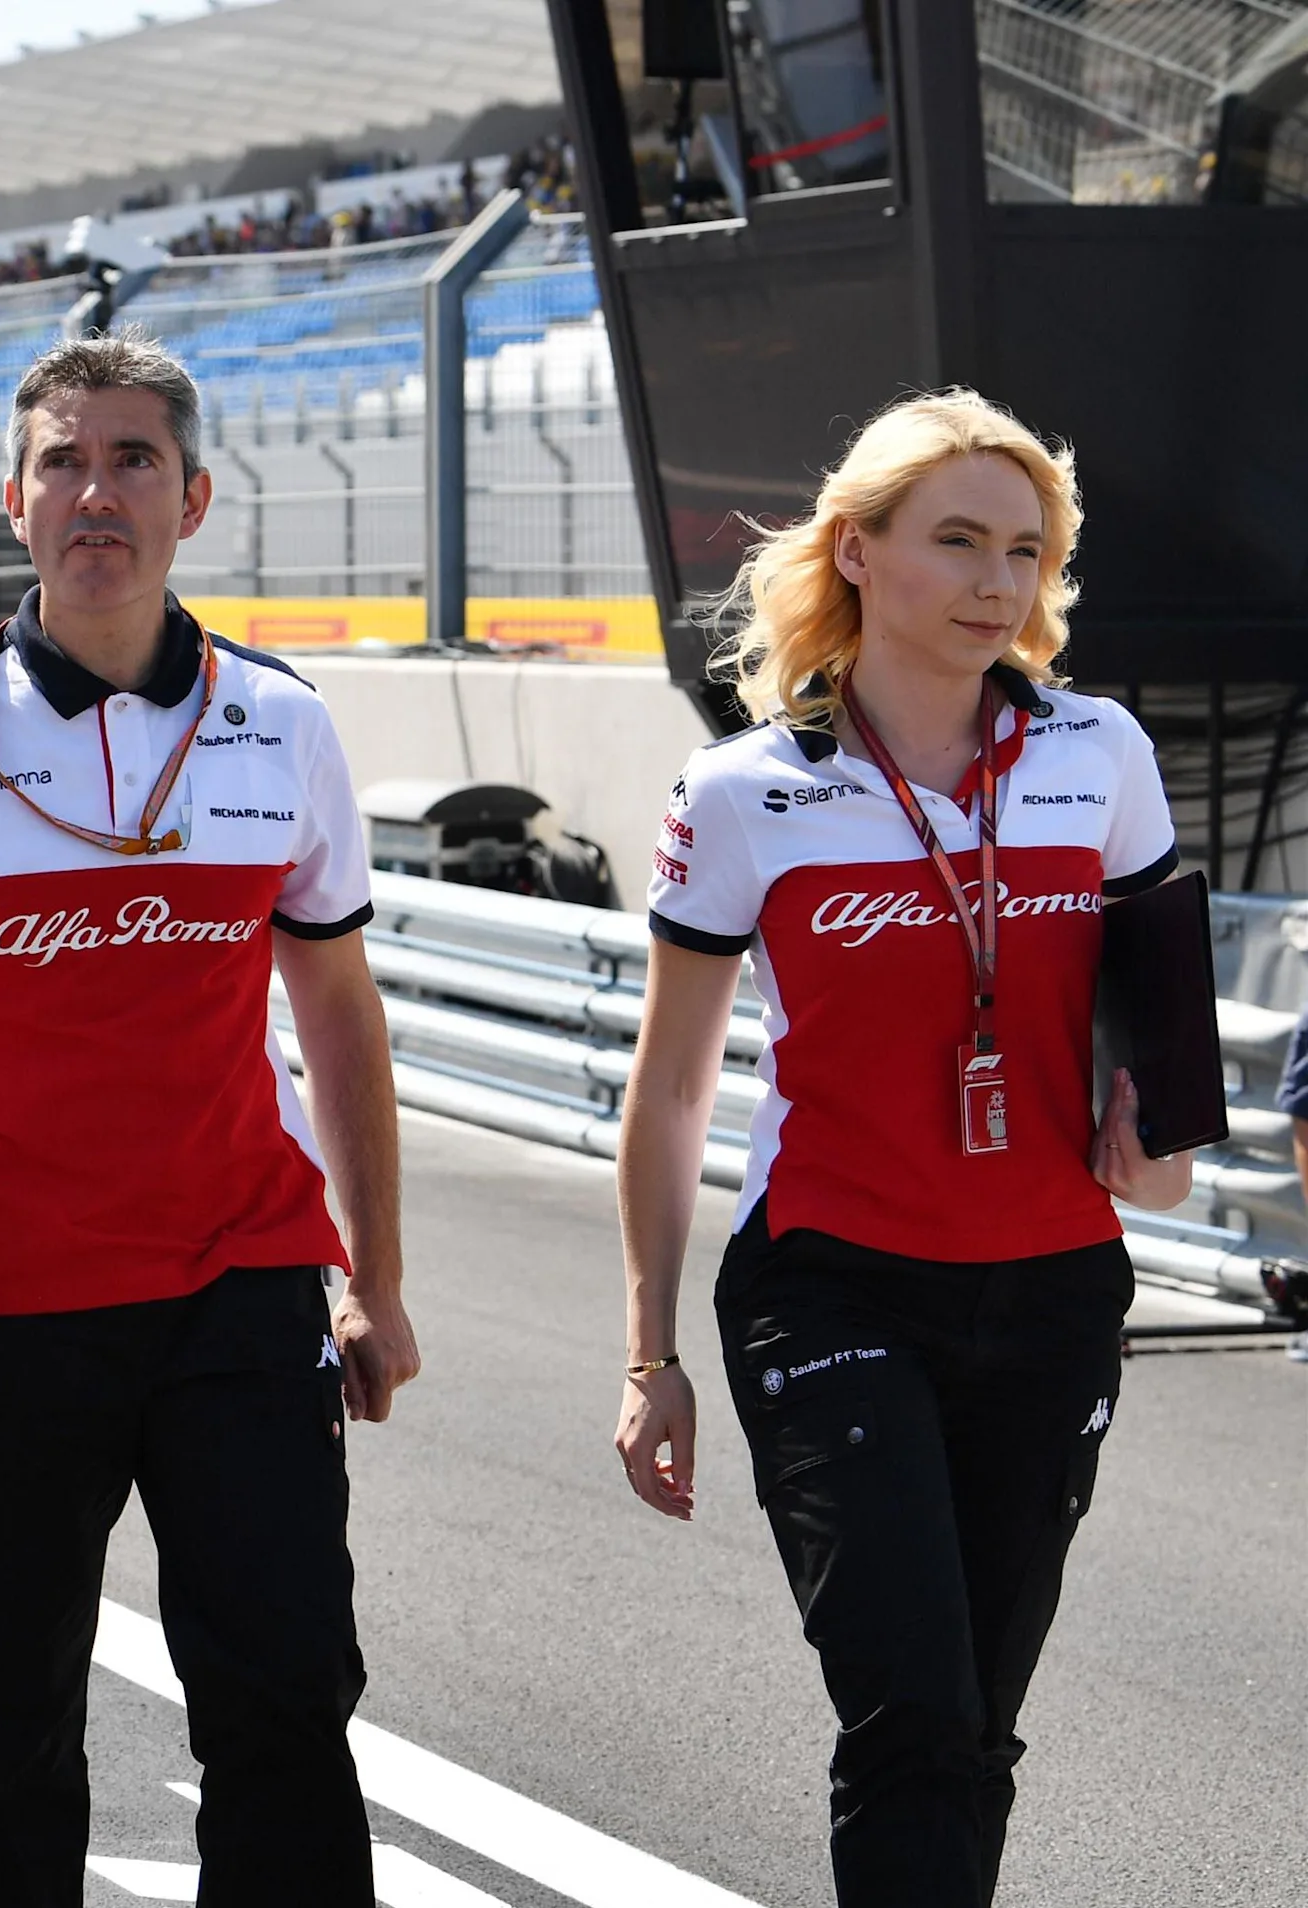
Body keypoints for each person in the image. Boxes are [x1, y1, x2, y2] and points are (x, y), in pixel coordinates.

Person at [0, 333, 417, 1908]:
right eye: (65, 461)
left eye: (134, 460)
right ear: (16, 502)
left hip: (238, 1290)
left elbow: (339, 1016)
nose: (98, 492)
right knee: (15, 1737)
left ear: (194, 498)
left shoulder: (285, 726)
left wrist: (371, 1276)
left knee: (284, 1707)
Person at [614, 391, 1188, 1908]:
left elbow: (1161, 1011)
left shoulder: (1102, 751)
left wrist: (1166, 1134)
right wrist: (647, 1353)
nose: (1000, 583)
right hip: (834, 1291)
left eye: (1025, 550)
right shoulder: (743, 791)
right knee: (913, 1715)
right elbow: (671, 1091)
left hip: (1059, 1287)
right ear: (857, 552)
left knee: (976, 1727)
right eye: (958, 542)